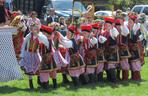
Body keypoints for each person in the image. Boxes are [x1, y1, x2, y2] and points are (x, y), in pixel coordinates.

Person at [19, 23, 48, 89]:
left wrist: (38, 35)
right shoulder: (28, 36)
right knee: (29, 68)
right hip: (28, 54)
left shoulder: (40, 35)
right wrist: (22, 54)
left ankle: (39, 80)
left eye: (35, 28)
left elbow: (45, 41)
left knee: (39, 65)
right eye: (32, 29)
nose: (34, 30)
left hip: (35, 54)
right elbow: (24, 45)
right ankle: (31, 83)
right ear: (30, 29)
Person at [0, 0, 22, 82]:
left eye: (2, 2)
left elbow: (9, 19)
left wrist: (16, 15)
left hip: (5, 34)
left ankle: (8, 73)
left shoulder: (5, 10)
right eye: (1, 2)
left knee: (6, 55)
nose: (2, 3)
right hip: (3, 32)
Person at [103, 17, 119, 83]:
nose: (106, 26)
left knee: (111, 65)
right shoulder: (105, 32)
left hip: (112, 50)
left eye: (108, 25)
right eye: (105, 25)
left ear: (111, 25)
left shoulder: (113, 30)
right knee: (107, 65)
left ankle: (114, 80)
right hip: (107, 51)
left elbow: (115, 35)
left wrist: (112, 28)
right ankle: (109, 79)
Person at [128, 13, 143, 81]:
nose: (129, 23)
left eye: (130, 21)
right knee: (131, 61)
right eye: (128, 21)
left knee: (135, 62)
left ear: (134, 22)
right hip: (130, 47)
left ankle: (137, 77)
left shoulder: (137, 28)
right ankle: (133, 76)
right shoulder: (128, 28)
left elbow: (141, 36)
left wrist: (137, 41)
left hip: (136, 47)